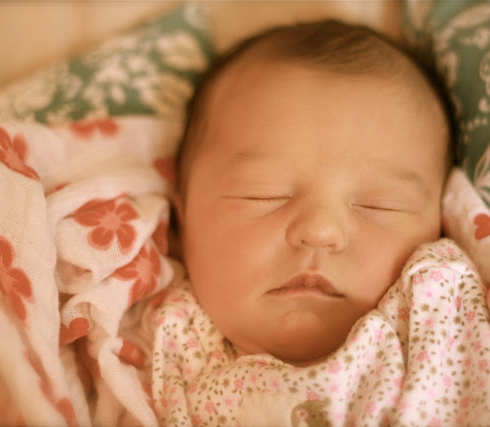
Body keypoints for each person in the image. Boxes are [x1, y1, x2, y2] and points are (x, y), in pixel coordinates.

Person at [173, 19, 453, 365]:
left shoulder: (459, 335)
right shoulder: (125, 328)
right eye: (262, 194)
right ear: (181, 221)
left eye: (379, 205)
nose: (320, 231)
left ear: (443, 226)